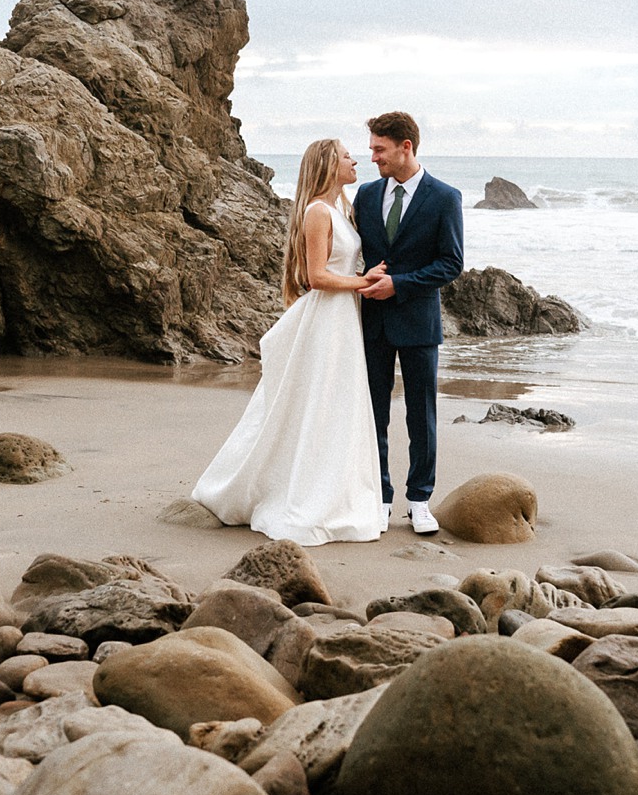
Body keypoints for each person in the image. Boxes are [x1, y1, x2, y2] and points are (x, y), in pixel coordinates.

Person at [190, 138, 388, 544]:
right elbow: (316, 277)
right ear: (329, 164)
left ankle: (336, 491)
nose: (355, 160)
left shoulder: (342, 209)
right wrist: (363, 283)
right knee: (316, 403)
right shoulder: (318, 212)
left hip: (344, 319)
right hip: (327, 317)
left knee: (336, 405)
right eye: (347, 155)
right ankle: (290, 492)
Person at [354, 111, 464, 534]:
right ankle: (380, 498)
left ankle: (419, 500)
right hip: (373, 323)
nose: (373, 157)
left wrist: (398, 285)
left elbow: (451, 263)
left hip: (419, 322)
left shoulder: (444, 197)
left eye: (379, 149)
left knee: (422, 416)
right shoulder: (365, 195)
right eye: (370, 150)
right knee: (373, 414)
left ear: (406, 147)